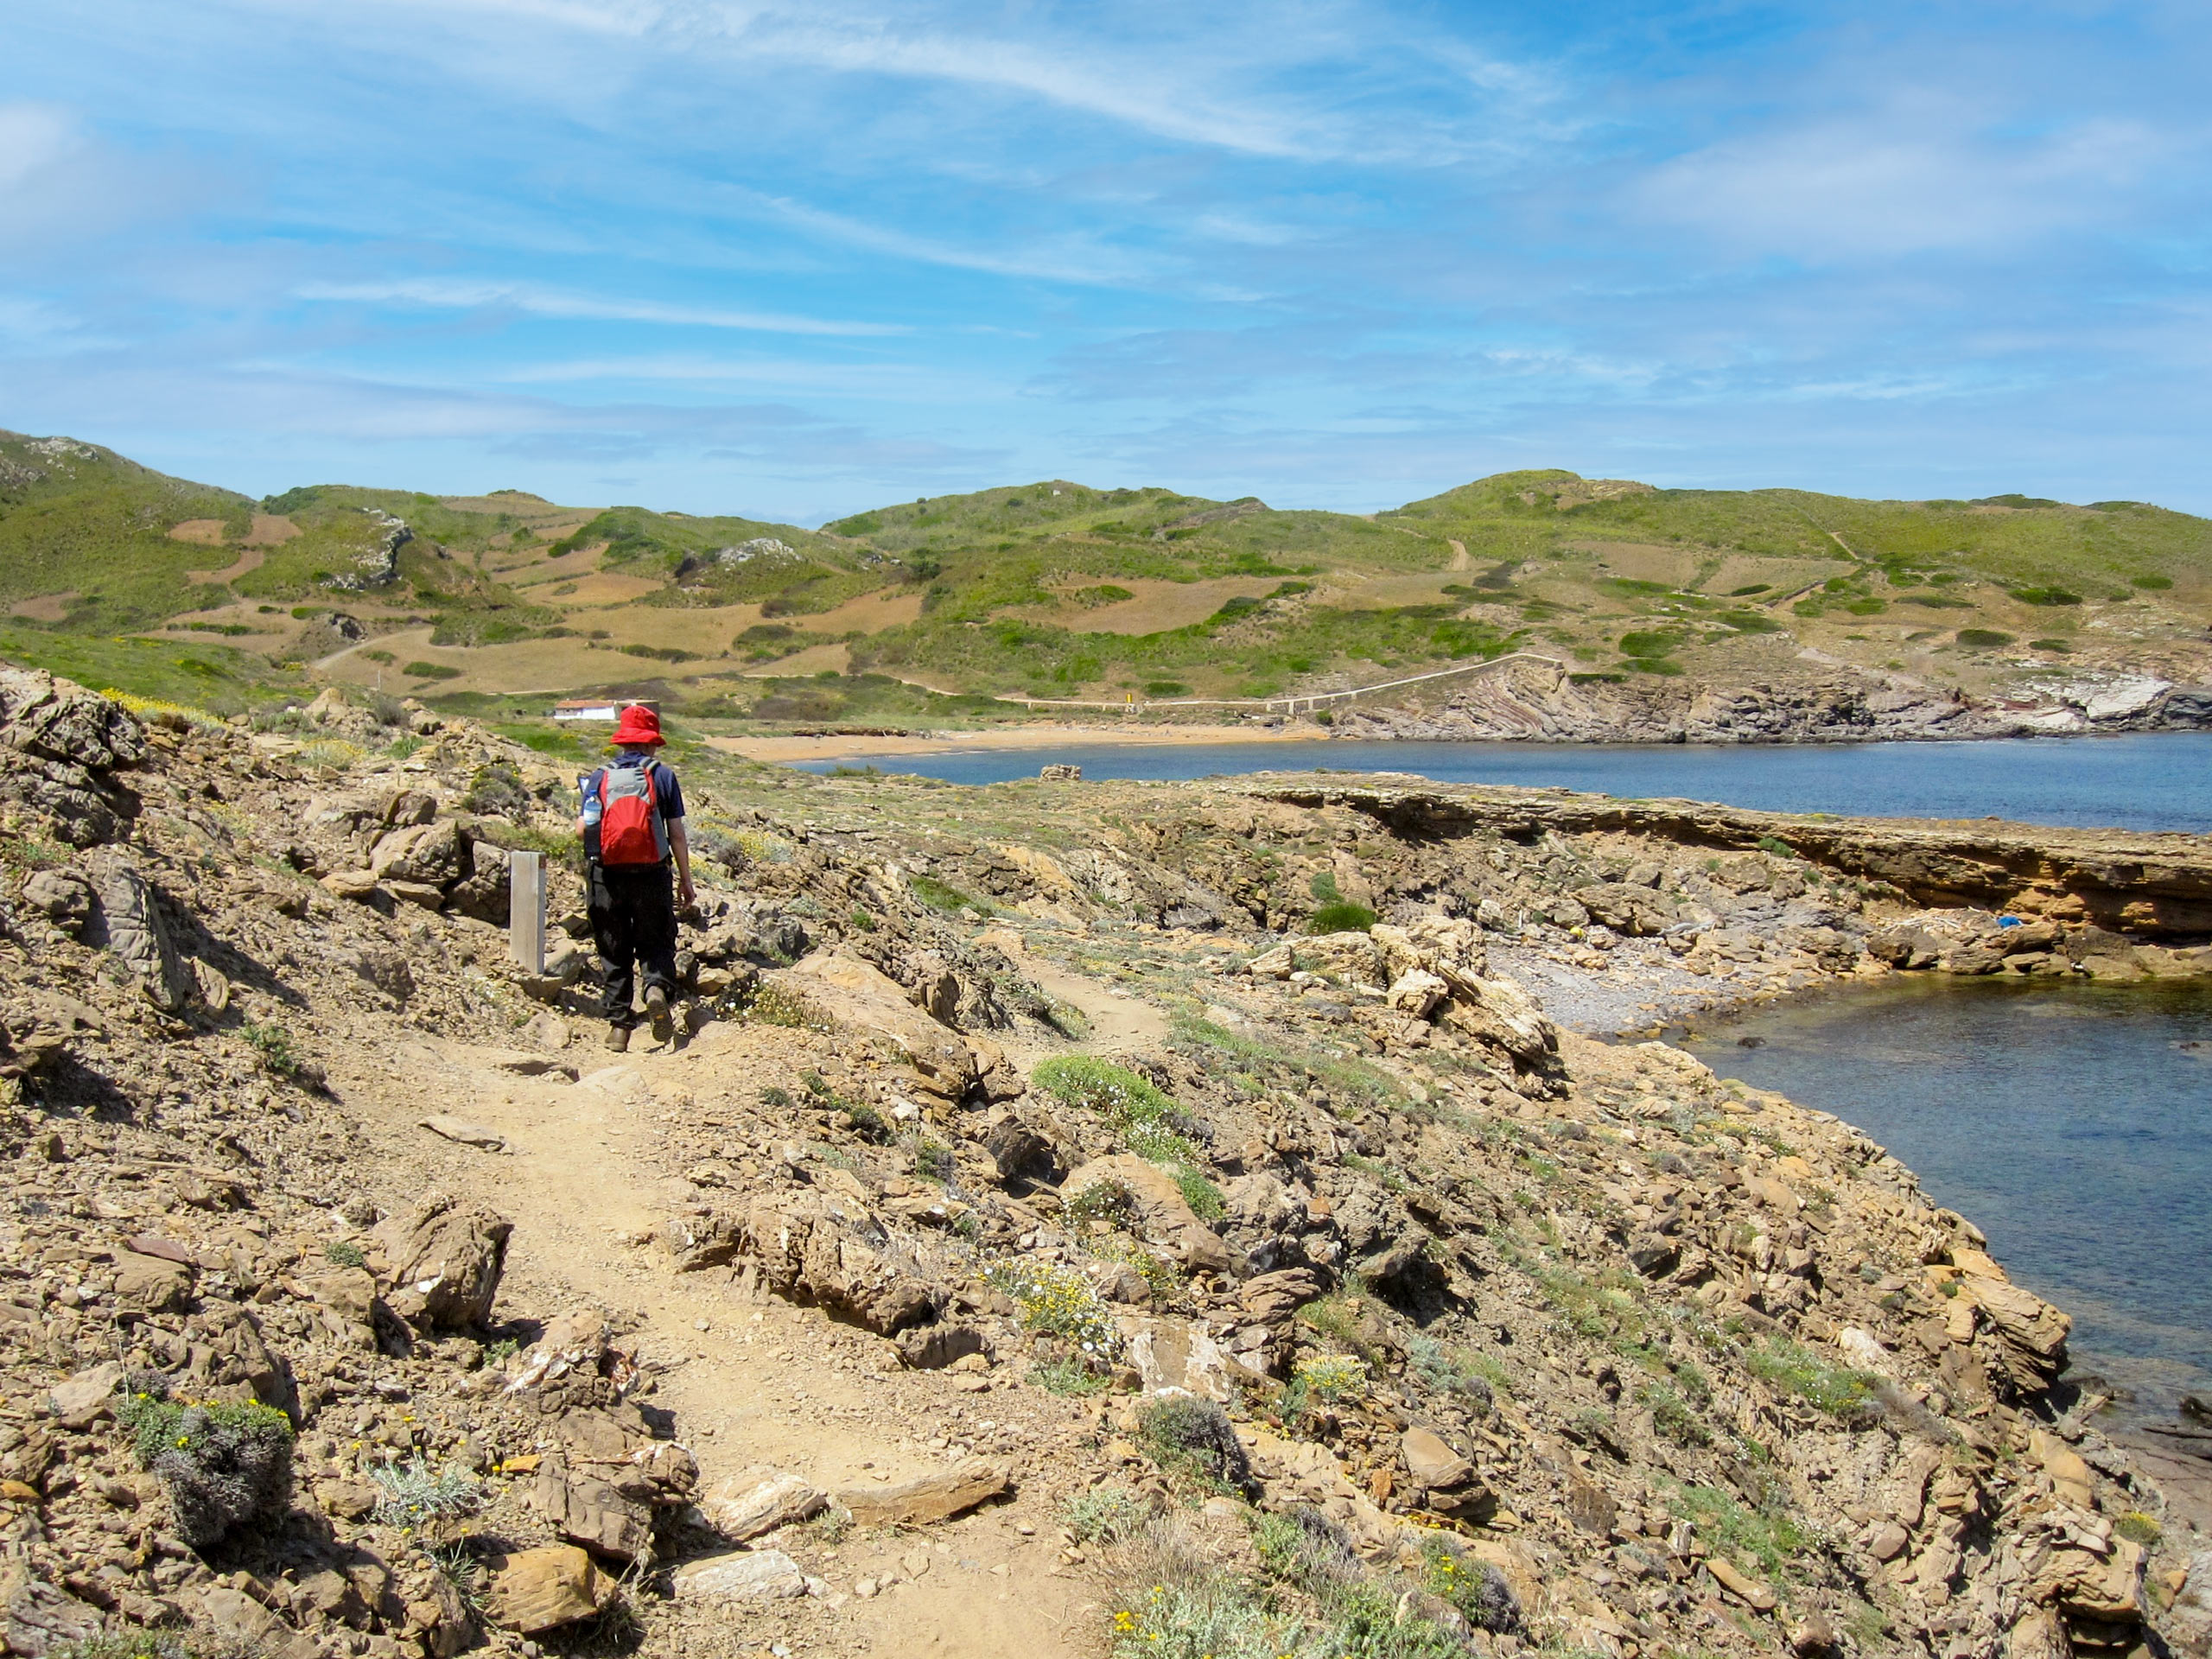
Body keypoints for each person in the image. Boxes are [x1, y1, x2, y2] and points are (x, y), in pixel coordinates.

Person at [576, 704, 696, 1050]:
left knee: (613, 946)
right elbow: (675, 833)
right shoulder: (662, 776)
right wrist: (685, 879)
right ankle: (655, 988)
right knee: (656, 938)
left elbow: (583, 827)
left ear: (623, 741)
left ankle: (619, 1027)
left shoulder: (600, 776)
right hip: (652, 872)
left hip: (605, 874)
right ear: (651, 743)